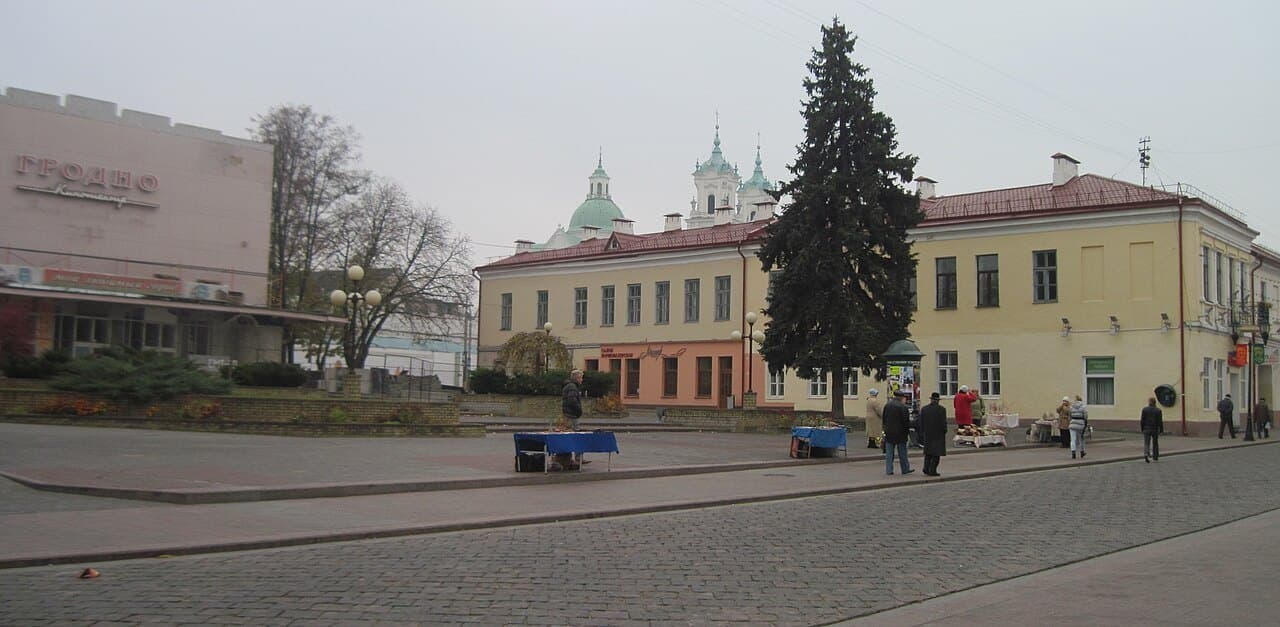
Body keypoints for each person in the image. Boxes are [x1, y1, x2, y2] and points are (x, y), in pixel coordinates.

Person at [882, 390, 914, 476]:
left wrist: (885, 429)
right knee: (902, 452)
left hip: (889, 432)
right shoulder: (903, 407)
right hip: (901, 433)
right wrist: (907, 432)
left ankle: (889, 470)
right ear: (901, 397)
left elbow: (884, 419)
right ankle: (905, 469)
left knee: (889, 453)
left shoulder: (887, 405)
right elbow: (905, 422)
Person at [919, 392, 948, 476]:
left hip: (927, 434)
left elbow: (921, 422)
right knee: (936, 454)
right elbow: (943, 423)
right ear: (938, 400)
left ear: (931, 400)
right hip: (938, 434)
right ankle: (932, 470)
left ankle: (926, 468)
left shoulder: (924, 409)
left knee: (928, 453)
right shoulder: (941, 409)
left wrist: (922, 432)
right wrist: (944, 430)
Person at [1140, 396, 1163, 462]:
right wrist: (1161, 430)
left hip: (1146, 428)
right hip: (1155, 429)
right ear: (1155, 403)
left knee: (1146, 442)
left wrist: (1142, 428)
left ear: (1149, 402)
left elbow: (1142, 420)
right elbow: (1160, 421)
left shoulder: (1145, 409)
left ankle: (1146, 454)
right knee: (1155, 443)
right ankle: (1155, 456)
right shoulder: (1158, 410)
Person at [1068, 395, 1088, 459]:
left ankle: (1073, 453)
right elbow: (1085, 416)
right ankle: (1082, 451)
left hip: (1072, 424)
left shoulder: (1071, 407)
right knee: (1081, 438)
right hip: (1080, 424)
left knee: (1072, 439)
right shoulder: (1083, 407)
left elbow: (1070, 415)